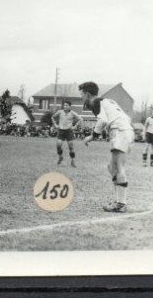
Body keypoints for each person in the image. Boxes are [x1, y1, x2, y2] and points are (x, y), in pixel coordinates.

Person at [79, 81, 134, 212]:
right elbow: (126, 118)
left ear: (87, 94)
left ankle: (121, 204)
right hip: (125, 131)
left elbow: (103, 120)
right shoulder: (108, 101)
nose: (81, 98)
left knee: (117, 167)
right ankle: (119, 201)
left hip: (120, 131)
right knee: (111, 168)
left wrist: (92, 136)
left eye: (81, 95)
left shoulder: (96, 102)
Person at [51, 100, 82, 168]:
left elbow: (80, 119)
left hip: (69, 131)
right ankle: (60, 157)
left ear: (70, 106)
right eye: (64, 105)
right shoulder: (60, 112)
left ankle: (73, 161)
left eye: (67, 105)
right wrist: (55, 125)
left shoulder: (73, 113)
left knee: (71, 147)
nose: (65, 106)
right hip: (61, 131)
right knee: (58, 145)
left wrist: (75, 126)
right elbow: (52, 117)